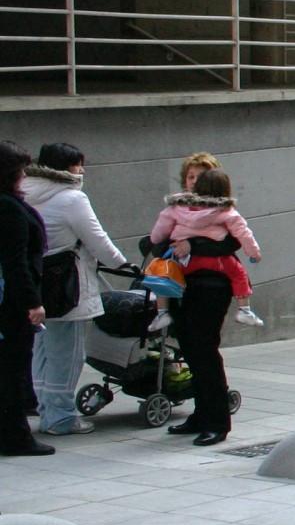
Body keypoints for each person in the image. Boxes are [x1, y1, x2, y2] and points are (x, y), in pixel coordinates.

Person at [22, 144, 127, 436]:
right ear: (68, 168)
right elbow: (98, 240)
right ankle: (61, 418)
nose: (82, 171)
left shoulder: (24, 191)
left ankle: (45, 410)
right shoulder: (72, 198)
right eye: (79, 165)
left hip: (35, 285)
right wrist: (123, 264)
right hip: (67, 288)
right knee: (67, 356)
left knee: (41, 352)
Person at [152, 169, 259, 447]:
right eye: (189, 177)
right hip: (182, 284)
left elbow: (230, 244)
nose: (192, 182)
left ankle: (217, 421)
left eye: (197, 178)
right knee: (190, 349)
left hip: (211, 287)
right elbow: (155, 242)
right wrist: (176, 244)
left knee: (204, 350)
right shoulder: (180, 210)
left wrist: (193, 244)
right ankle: (201, 415)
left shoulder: (224, 213)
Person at [147, 169, 263, 334]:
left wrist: (156, 240)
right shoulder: (225, 211)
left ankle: (162, 313)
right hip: (214, 262)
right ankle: (244, 310)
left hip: (182, 261)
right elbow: (243, 233)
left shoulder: (178, 208)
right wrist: (254, 253)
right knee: (238, 272)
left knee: (164, 277)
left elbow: (160, 229)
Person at [0, 141, 53, 456]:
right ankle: (15, 435)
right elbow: (15, 261)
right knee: (14, 370)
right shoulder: (8, 207)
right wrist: (33, 302)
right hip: (11, 303)